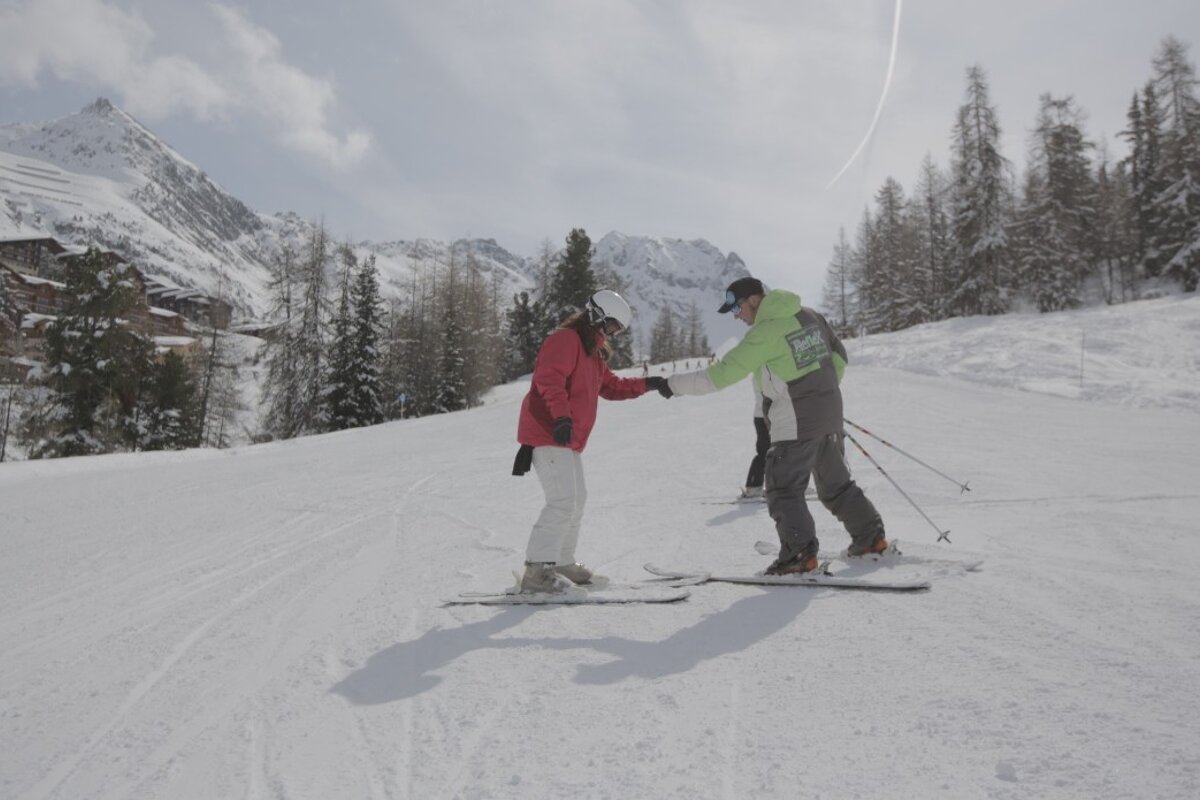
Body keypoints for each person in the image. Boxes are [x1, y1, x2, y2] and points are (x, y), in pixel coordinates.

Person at [658, 277, 887, 575]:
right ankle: (871, 539)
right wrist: (821, 393)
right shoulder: (811, 316)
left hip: (795, 422)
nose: (736, 316)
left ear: (754, 300)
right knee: (836, 485)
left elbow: (720, 375)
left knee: (783, 489)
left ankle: (799, 556)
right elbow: (839, 357)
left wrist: (671, 384)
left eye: (737, 308)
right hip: (830, 416)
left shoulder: (764, 333)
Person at [512, 289, 670, 593]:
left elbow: (612, 386)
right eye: (612, 326)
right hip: (548, 430)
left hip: (566, 437)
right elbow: (549, 379)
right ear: (598, 315)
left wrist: (648, 384)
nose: (613, 333)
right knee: (562, 501)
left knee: (577, 499)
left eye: (617, 330)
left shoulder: (592, 352)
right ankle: (537, 572)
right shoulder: (565, 340)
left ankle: (561, 561)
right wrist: (561, 416)